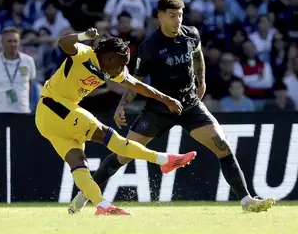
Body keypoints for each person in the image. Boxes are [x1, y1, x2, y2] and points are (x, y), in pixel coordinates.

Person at [69, 0, 275, 213]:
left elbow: (198, 57)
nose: (178, 20)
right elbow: (135, 80)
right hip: (159, 108)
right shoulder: (149, 47)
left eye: (180, 15)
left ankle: (246, 201)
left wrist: (201, 80)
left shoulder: (191, 34)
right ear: (160, 17)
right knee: (123, 155)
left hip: (189, 105)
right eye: (172, 15)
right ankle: (85, 195)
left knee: (223, 148)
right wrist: (122, 105)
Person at [35, 28, 197, 216]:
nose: (122, 70)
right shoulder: (85, 54)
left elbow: (137, 85)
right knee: (107, 135)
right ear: (110, 57)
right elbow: (64, 43)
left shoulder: (111, 70)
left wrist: (166, 99)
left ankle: (102, 205)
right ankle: (163, 160)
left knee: (79, 163)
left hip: (47, 120)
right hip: (55, 106)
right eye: (122, 64)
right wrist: (84, 37)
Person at [0, 27, 37, 114]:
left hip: (22, 111)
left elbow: (29, 85)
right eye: (9, 41)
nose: (13, 44)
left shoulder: (28, 61)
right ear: (2, 42)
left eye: (15, 41)